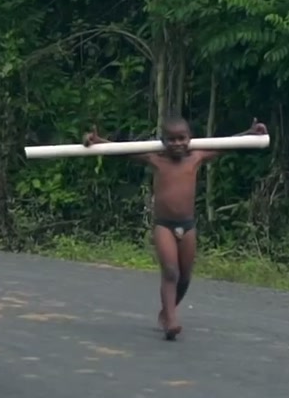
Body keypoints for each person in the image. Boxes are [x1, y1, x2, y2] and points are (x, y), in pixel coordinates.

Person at [83, 117, 268, 341]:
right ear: (163, 141)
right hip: (164, 226)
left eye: (182, 138)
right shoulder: (156, 159)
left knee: (185, 277)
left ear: (190, 139)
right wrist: (98, 141)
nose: (177, 143)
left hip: (188, 226)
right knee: (171, 272)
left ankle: (167, 312)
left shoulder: (197, 156)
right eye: (171, 139)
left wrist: (250, 133)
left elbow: (226, 145)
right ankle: (171, 320)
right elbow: (123, 152)